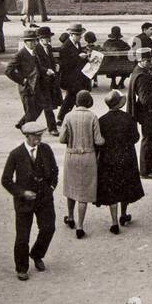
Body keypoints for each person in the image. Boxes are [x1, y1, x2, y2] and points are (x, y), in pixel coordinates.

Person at [1, 123, 60, 280]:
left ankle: (36, 254)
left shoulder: (46, 150)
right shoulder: (16, 154)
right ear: (26, 136)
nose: (38, 139)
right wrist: (21, 193)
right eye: (35, 136)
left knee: (49, 228)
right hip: (24, 202)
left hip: (44, 198)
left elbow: (54, 170)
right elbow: (6, 180)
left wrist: (51, 187)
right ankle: (21, 268)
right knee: (22, 236)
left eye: (40, 136)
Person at [96, 89, 146, 233]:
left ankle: (113, 222)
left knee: (111, 190)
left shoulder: (102, 120)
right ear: (119, 104)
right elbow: (136, 138)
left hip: (108, 158)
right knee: (125, 187)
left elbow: (99, 142)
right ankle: (123, 214)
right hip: (126, 156)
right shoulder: (128, 118)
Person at [61, 90, 104, 237]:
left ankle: (70, 216)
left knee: (71, 188)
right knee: (84, 192)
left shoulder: (68, 116)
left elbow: (61, 139)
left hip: (71, 155)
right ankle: (80, 226)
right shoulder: (92, 117)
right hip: (88, 156)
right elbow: (99, 140)